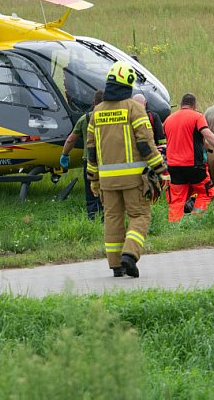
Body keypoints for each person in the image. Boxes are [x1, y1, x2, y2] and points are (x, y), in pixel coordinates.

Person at [86, 61, 166, 278]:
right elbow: (145, 144)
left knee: (112, 219)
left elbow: (91, 151)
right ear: (128, 84)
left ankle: (115, 265)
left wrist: (93, 180)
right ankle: (129, 255)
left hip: (107, 181)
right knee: (140, 215)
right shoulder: (134, 108)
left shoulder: (97, 112)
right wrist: (160, 169)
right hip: (133, 180)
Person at [163, 93, 214, 223]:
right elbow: (208, 134)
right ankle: (195, 222)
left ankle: (174, 227)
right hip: (194, 166)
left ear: (181, 105)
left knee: (177, 199)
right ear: (194, 105)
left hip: (173, 167)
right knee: (205, 192)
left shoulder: (169, 119)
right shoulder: (197, 116)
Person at [60, 89, 105, 220]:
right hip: (107, 160)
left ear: (93, 102)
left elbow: (71, 139)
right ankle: (105, 217)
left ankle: (92, 218)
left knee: (91, 190)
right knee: (106, 190)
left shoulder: (85, 118)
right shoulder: (110, 117)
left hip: (89, 160)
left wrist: (65, 154)